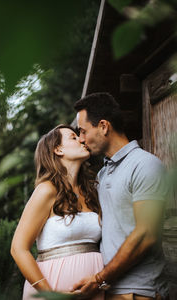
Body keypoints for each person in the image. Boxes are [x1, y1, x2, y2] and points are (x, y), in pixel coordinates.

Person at [72, 92, 169, 300]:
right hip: (111, 290)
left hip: (140, 291)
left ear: (104, 127)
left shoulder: (145, 164)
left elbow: (146, 234)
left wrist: (99, 278)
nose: (81, 139)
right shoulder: (103, 173)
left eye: (83, 131)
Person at [11, 124, 104, 300]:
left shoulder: (92, 192)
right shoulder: (46, 190)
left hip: (93, 290)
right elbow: (18, 248)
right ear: (58, 149)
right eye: (73, 137)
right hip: (52, 288)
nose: (82, 139)